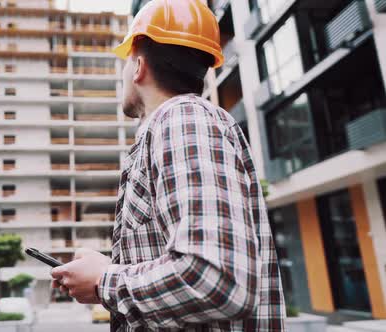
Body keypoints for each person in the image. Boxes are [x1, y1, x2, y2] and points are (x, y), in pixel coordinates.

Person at [50, 0, 286, 331]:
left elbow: (216, 279)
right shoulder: (173, 129)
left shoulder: (181, 120)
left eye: (125, 61)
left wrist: (106, 281)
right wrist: (106, 269)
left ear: (138, 66)